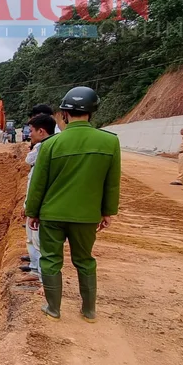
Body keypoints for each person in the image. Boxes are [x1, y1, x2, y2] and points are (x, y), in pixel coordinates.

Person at [26, 86, 120, 322]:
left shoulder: (51, 145)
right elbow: (111, 182)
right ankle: (88, 311)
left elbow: (38, 185)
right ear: (93, 112)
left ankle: (54, 309)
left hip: (52, 215)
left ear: (65, 113)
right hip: (87, 216)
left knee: (50, 259)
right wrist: (108, 211)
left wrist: (32, 213)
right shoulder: (110, 142)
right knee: (85, 260)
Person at [19, 113, 58, 283]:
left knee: (40, 241)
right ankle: (37, 271)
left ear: (41, 131)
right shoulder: (46, 146)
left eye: (32, 131)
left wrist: (31, 208)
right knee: (35, 239)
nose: (29, 134)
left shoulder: (44, 148)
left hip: (43, 206)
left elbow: (39, 182)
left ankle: (44, 279)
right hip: (38, 203)